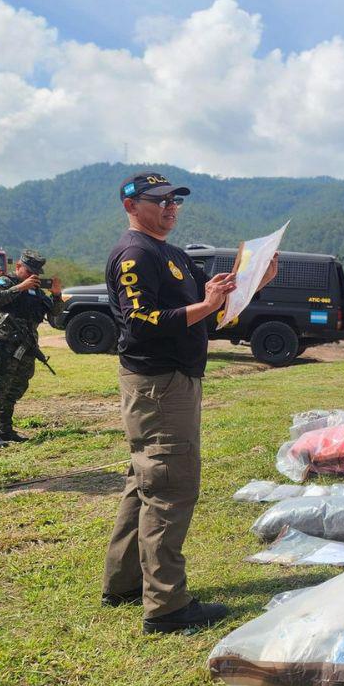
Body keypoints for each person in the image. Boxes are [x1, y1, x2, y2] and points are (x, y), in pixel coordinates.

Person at [100, 171, 277, 634]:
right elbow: (142, 322)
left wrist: (252, 283)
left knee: (145, 480)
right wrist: (205, 304)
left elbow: (212, 315)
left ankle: (124, 583)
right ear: (131, 206)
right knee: (168, 486)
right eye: (159, 201)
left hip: (173, 380)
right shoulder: (136, 253)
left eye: (175, 201)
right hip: (159, 383)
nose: (170, 208)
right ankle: (166, 606)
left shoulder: (170, 253)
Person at [0, 250, 64, 447]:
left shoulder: (37, 292)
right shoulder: (3, 282)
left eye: (36, 272)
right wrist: (20, 287)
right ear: (18, 267)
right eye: (28, 270)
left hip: (26, 347)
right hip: (3, 344)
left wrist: (57, 295)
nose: (32, 275)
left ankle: (4, 428)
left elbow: (55, 316)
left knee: (16, 387)